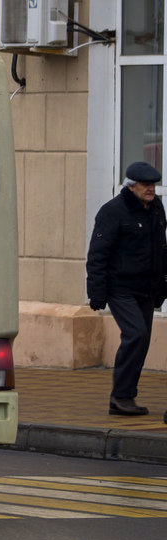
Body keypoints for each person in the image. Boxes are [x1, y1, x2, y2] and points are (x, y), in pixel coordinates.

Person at [85, 161, 167, 416]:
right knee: (136, 334)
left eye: (153, 185)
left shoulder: (156, 209)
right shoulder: (113, 211)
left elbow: (160, 248)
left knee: (140, 343)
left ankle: (123, 398)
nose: (151, 190)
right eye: (145, 185)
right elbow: (98, 255)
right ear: (130, 186)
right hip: (120, 287)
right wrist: (96, 292)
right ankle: (121, 395)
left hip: (147, 288)